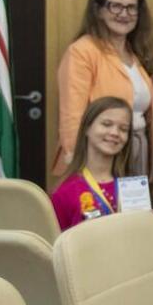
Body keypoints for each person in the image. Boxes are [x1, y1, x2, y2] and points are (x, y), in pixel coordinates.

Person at [54, 0, 153, 178]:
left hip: (135, 151)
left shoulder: (136, 54)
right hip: (95, 158)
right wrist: (79, 164)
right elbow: (72, 115)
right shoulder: (82, 51)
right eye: (116, 6)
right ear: (99, 10)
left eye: (131, 7)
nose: (124, 14)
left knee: (132, 210)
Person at [50, 96, 135, 230]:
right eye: (106, 124)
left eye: (123, 129)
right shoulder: (65, 191)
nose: (115, 133)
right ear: (87, 128)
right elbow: (55, 246)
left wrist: (150, 223)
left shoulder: (133, 188)